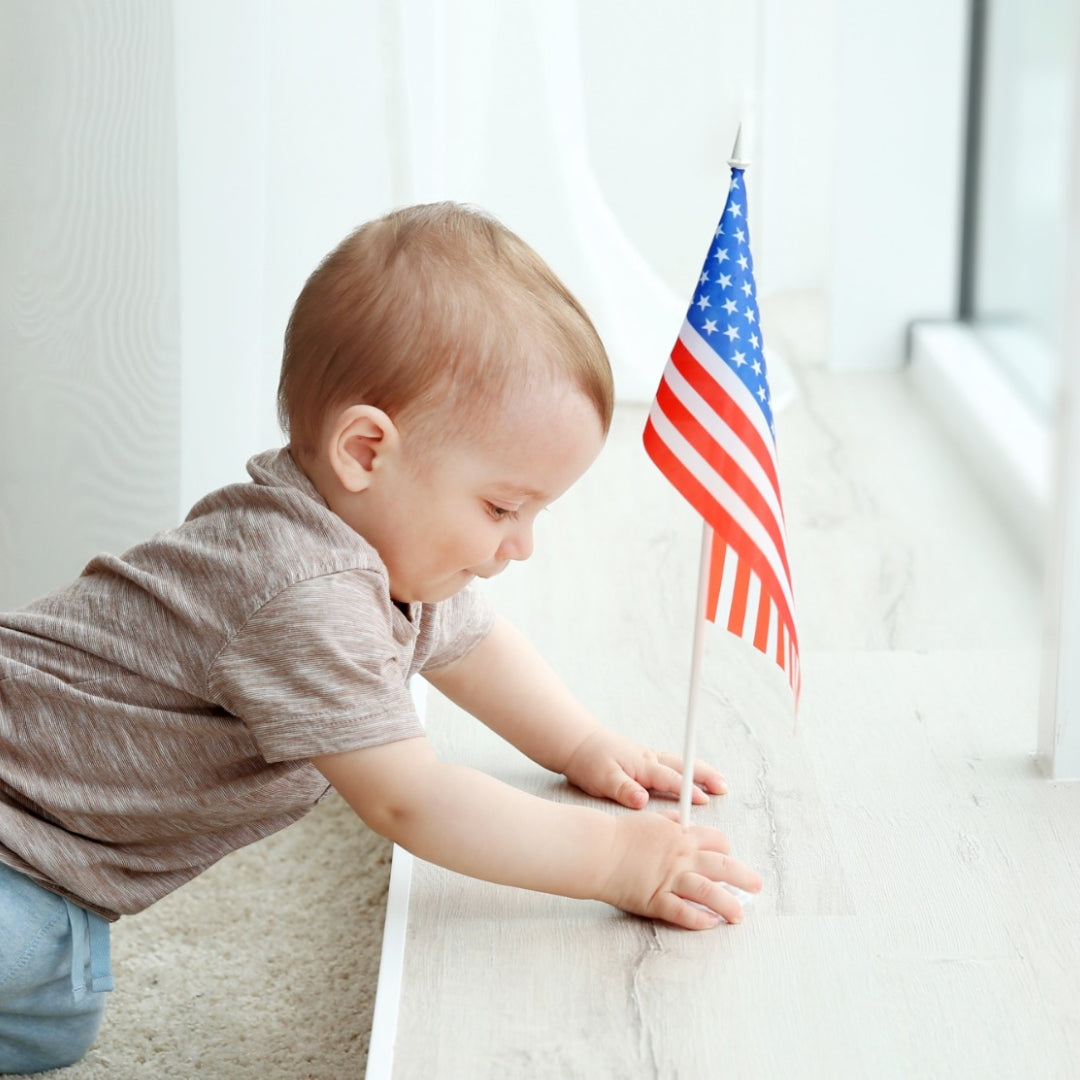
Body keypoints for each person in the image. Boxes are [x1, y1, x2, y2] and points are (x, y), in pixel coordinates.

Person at [0, 202, 762, 1073]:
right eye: (503, 507)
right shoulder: (303, 589)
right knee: (35, 960)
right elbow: (411, 801)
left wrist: (584, 744)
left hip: (54, 872)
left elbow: (471, 646)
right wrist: (619, 862)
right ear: (366, 450)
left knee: (55, 1015)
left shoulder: (379, 552)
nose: (521, 545)